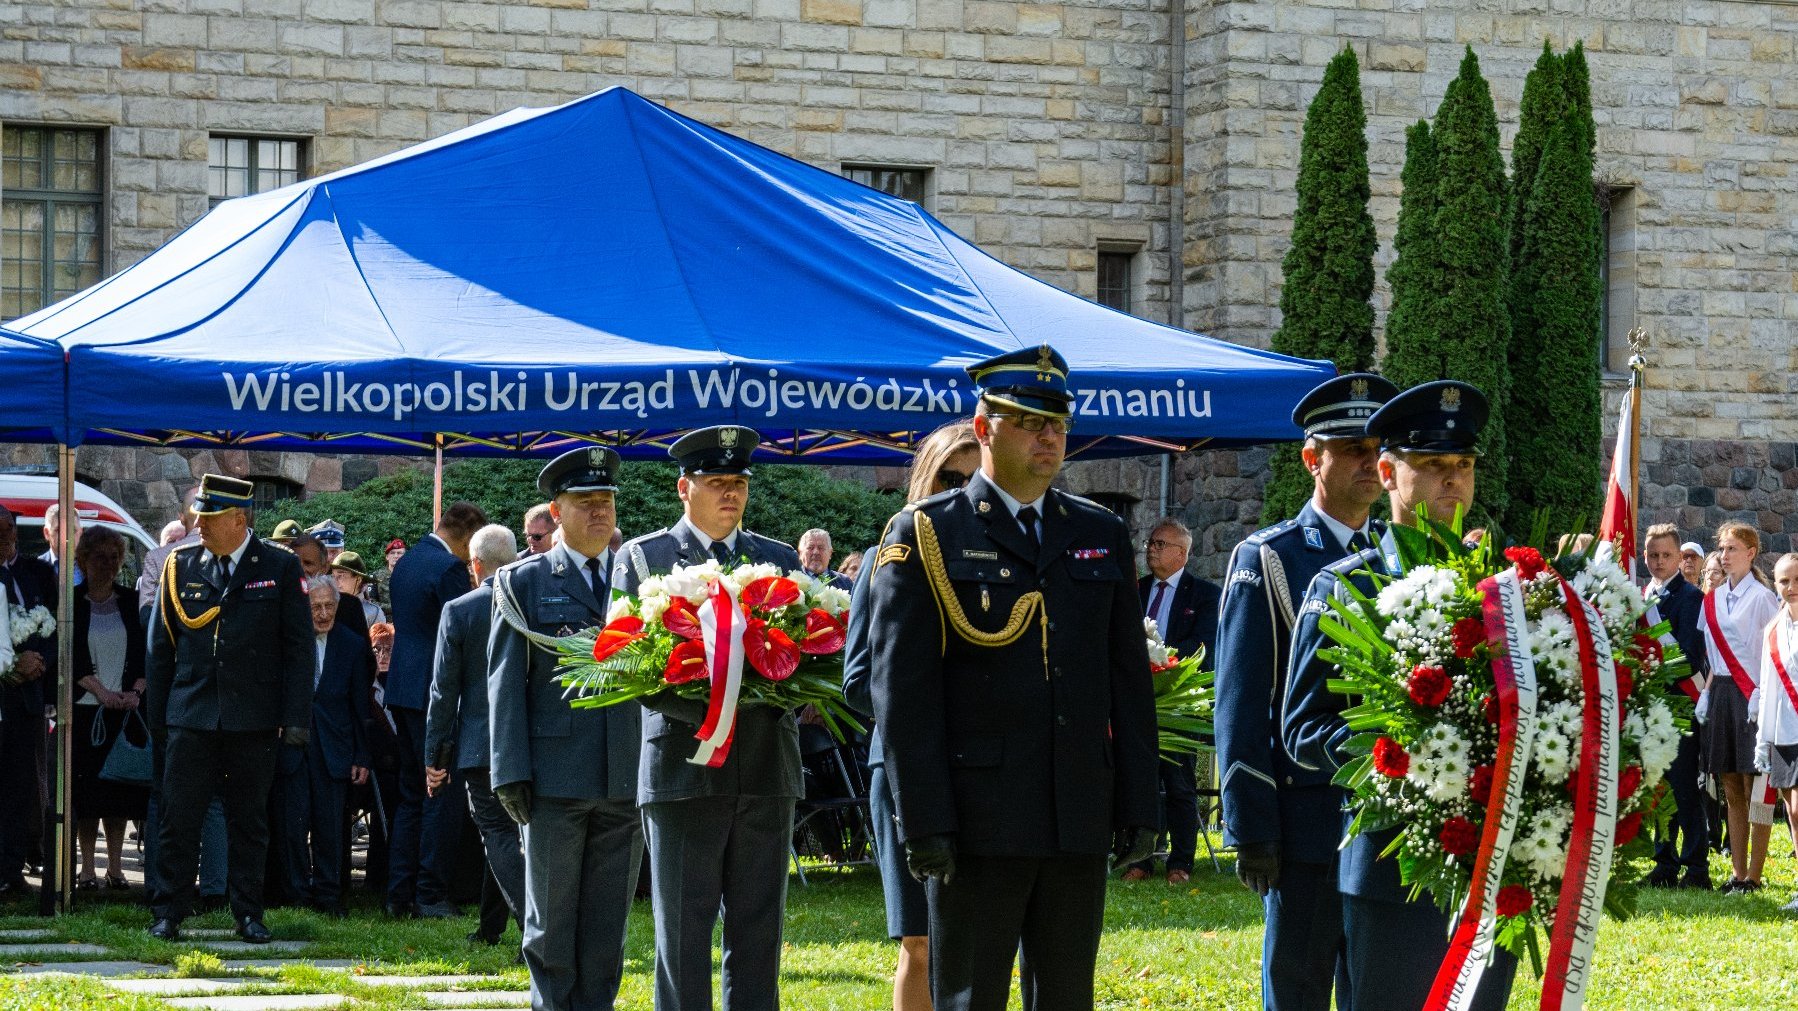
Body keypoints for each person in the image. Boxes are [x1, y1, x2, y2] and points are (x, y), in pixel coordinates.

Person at [869, 346, 1159, 1011]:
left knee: (1067, 996)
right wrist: (923, 818)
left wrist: (1141, 799)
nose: (1049, 437)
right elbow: (903, 694)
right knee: (971, 998)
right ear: (984, 427)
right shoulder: (926, 535)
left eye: (1057, 422)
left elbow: (1127, 678)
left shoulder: (1099, 531)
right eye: (1029, 421)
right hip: (978, 819)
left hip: (1075, 806)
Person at [1284, 381, 1515, 1011]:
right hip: (1390, 867)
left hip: (1493, 866)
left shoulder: (1509, 592)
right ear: (1387, 472)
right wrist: (1400, 755)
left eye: (1463, 466)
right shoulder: (1346, 588)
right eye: (1433, 466)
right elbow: (1303, 727)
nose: (1452, 482)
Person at [1213, 371, 1393, 1011]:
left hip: (1381, 822)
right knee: (1299, 989)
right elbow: (1239, 700)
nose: (1369, 465)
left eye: (1377, 451)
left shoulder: (1399, 558)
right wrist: (1251, 825)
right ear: (1311, 458)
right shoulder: (1269, 558)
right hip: (1305, 820)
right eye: (1351, 451)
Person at [615, 425, 804, 1011]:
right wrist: (714, 708)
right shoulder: (645, 559)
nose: (731, 493)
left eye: (739, 483)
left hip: (766, 768)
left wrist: (761, 696)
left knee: (758, 934)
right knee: (683, 937)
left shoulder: (778, 560)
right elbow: (628, 665)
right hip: (684, 771)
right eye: (717, 482)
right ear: (683, 488)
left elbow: (805, 658)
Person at [490, 449, 642, 1011]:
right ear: (557, 512)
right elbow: (504, 685)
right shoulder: (523, 583)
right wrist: (509, 772)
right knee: (550, 928)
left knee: (607, 931)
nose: (599, 513)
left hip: (623, 774)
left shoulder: (639, 579)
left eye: (606, 502)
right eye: (585, 502)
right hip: (554, 780)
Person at [144, 474, 312, 943]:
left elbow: (298, 650)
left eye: (209, 516)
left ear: (239, 518)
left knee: (249, 822)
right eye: (198, 514)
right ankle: (169, 911)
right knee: (179, 818)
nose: (198, 524)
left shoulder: (278, 565)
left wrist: (295, 718)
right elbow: (161, 652)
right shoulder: (181, 565)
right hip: (191, 714)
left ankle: (248, 912)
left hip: (252, 717)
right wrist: (159, 719)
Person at [844, 418, 977, 1011]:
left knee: (988, 936)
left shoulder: (1012, 555)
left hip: (989, 768)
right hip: (904, 770)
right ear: (924, 479)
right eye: (949, 476)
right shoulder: (886, 556)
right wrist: (924, 716)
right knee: (919, 941)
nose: (961, 489)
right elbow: (856, 680)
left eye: (975, 478)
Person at [384, 500, 487, 919]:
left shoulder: (407, 562)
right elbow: (459, 631)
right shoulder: (448, 570)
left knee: (410, 794)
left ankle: (398, 892)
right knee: (439, 793)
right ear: (463, 535)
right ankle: (430, 893)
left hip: (403, 688)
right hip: (434, 691)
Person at [426, 522, 525, 948]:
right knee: (506, 835)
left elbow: (443, 690)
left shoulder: (460, 610)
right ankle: (490, 927)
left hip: (480, 745)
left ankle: (536, 931)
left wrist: (434, 756)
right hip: (529, 739)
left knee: (499, 835)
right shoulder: (531, 604)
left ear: (475, 565)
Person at [1125, 517, 1220, 885]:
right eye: (1150, 542)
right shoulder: (1135, 589)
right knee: (1142, 784)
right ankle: (1141, 859)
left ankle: (1181, 862)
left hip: (1179, 702)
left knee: (1179, 785)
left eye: (1160, 544)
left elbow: (1203, 647)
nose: (1151, 548)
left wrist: (1160, 663)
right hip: (1138, 702)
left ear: (1182, 553)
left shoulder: (1205, 595)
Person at [278, 577, 372, 917]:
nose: (322, 614)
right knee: (293, 823)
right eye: (315, 607)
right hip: (293, 745)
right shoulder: (289, 641)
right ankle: (297, 896)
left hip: (336, 746)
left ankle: (330, 897)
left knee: (331, 826)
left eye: (328, 606)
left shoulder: (351, 644)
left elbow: (361, 704)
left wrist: (362, 754)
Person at [1700, 520, 1781, 894]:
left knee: (1757, 785)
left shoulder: (1763, 598)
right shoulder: (1713, 599)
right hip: (1723, 694)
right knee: (1730, 783)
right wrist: (1707, 692)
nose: (1725, 555)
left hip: (1754, 695)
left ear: (1751, 553)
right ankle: (1736, 870)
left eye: (1733, 549)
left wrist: (1762, 695)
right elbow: (1712, 654)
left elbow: (1772, 653)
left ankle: (1756, 873)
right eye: (1722, 549)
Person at [70, 526, 148, 890]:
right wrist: (100, 691)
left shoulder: (131, 601)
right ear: (83, 560)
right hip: (86, 712)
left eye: (114, 557)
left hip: (126, 711)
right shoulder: (69, 602)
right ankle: (86, 869)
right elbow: (68, 657)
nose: (109, 564)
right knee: (87, 797)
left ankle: (116, 868)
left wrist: (135, 692)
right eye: (100, 557)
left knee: (120, 793)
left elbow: (145, 656)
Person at [1640, 523, 1712, 889]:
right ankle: (1664, 862)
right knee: (1658, 789)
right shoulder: (1640, 597)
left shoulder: (1691, 598)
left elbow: (1689, 654)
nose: (1659, 562)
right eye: (1652, 555)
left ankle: (1696, 867)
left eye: (1666, 555)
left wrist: (1647, 669)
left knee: (1684, 787)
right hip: (1649, 707)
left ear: (1679, 556)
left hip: (1681, 704)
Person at [0, 504, 57, 897]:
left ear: (16, 534)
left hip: (28, 700)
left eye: (5, 532)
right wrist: (9, 665)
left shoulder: (38, 572)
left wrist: (40, 661)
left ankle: (12, 869)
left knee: (21, 789)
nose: (1, 539)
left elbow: (58, 623)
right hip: (3, 690)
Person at [1755, 553, 1798, 912]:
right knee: (1792, 810)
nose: (1791, 587)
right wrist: (1763, 739)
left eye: (1797, 580)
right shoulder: (1772, 628)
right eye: (1784, 581)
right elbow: (1769, 687)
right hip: (1784, 730)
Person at [330, 551, 386, 628]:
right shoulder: (327, 609)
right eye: (333, 576)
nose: (335, 582)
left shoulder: (373, 613)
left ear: (358, 579)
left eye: (341, 576)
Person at [39, 502, 86, 587]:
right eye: (59, 530)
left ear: (80, 533)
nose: (67, 536)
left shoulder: (93, 568)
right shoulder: (35, 569)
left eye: (73, 530)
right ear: (46, 533)